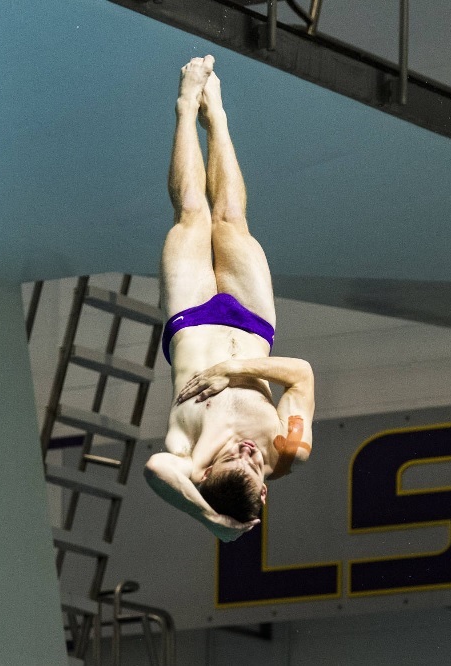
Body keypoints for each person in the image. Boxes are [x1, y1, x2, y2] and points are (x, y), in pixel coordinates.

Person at [144, 55, 315, 542]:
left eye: (236, 458)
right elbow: (301, 374)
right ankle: (215, 114)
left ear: (203, 477)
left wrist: (211, 518)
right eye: (254, 463)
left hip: (191, 316)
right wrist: (233, 372)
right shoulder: (289, 452)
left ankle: (183, 109)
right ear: (265, 490)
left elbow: (157, 469)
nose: (249, 452)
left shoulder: (187, 453)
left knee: (193, 215)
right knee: (232, 218)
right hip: (252, 322)